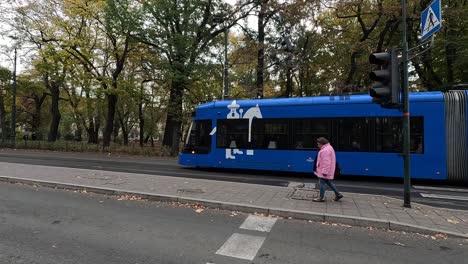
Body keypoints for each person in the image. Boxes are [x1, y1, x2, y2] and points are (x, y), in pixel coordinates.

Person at [313, 137, 343, 202]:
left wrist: (324, 171)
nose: (318, 146)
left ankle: (321, 197)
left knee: (321, 183)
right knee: (328, 182)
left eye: (318, 144)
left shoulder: (325, 150)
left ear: (321, 144)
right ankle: (338, 194)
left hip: (324, 170)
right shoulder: (328, 148)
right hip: (325, 170)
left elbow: (326, 162)